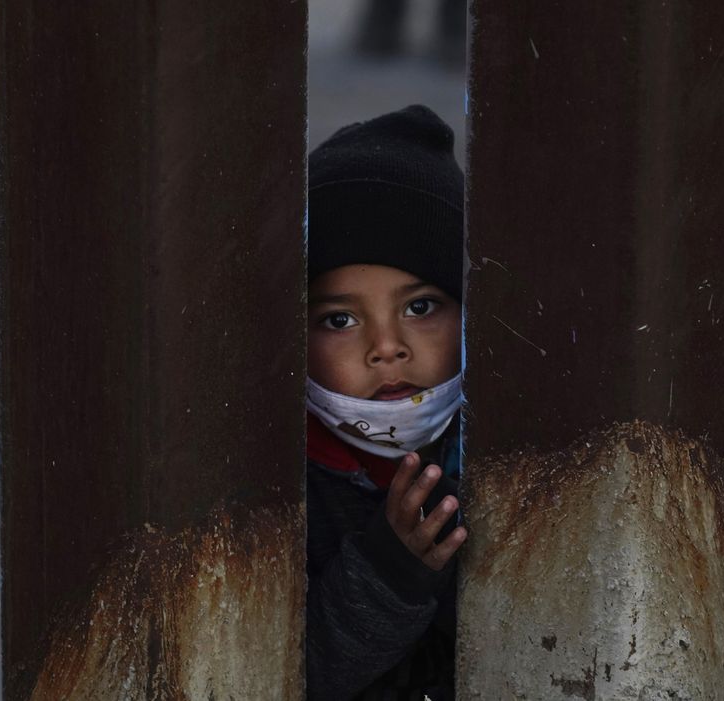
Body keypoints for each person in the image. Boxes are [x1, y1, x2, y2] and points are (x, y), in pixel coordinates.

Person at [304, 104, 467, 700]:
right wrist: (390, 570)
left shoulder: (505, 441)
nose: (387, 348)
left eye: (420, 306)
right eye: (340, 318)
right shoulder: (275, 473)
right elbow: (287, 675)